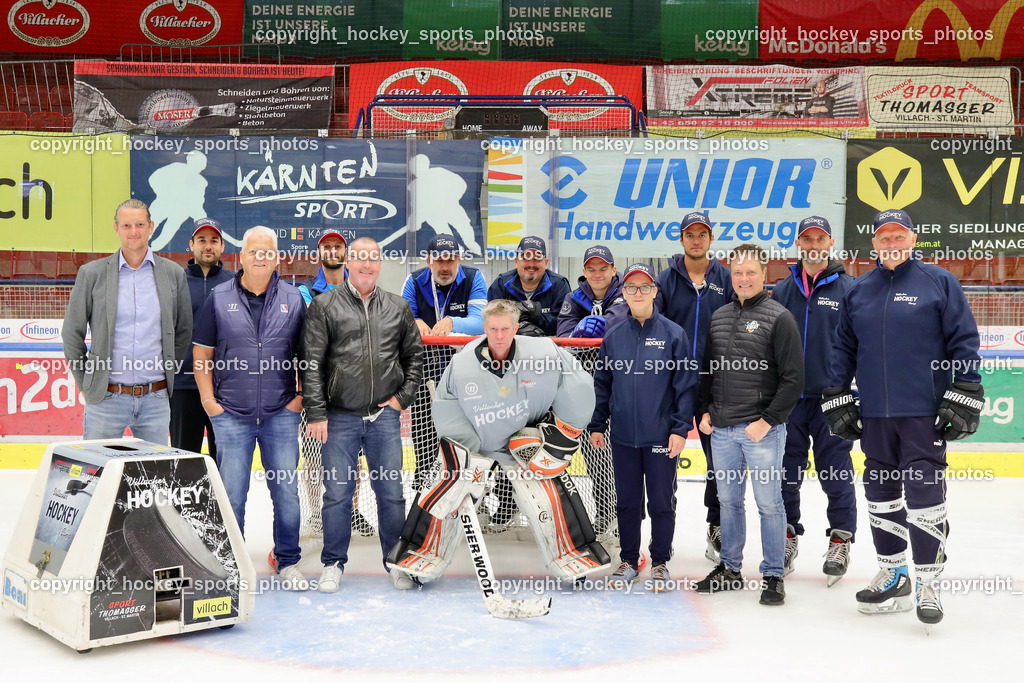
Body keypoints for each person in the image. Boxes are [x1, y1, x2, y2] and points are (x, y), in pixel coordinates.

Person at [824, 209, 983, 626]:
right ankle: (894, 574)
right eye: (883, 237)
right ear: (873, 243)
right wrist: (837, 395)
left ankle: (928, 582)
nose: (891, 243)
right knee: (879, 492)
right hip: (874, 414)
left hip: (922, 414)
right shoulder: (858, 290)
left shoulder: (938, 281)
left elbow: (963, 339)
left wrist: (966, 389)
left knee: (925, 495)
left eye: (898, 236)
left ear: (913, 239)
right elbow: (842, 349)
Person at [387, 299, 610, 584]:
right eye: (494, 329)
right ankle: (418, 556)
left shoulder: (543, 352)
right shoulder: (463, 362)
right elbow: (446, 406)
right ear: (485, 327)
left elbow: (576, 384)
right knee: (446, 483)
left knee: (553, 495)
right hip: (478, 445)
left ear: (516, 328)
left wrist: (561, 432)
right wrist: (466, 454)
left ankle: (576, 554)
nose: (500, 335)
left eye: (506, 328)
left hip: (527, 445)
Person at [300, 237, 425, 593]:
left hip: (384, 417)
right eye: (361, 259)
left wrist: (402, 398)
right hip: (338, 417)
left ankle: (396, 561)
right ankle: (333, 563)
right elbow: (312, 365)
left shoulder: (398, 307)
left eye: (374, 259)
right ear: (348, 263)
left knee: (391, 494)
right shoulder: (324, 306)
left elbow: (414, 358)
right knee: (337, 494)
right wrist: (317, 412)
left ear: (380, 264)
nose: (367, 266)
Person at [192, 225, 308, 591]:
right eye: (253, 251)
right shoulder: (218, 297)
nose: (260, 257)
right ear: (241, 256)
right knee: (232, 494)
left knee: (286, 493)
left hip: (280, 415)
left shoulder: (293, 298)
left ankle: (287, 560)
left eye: (267, 252)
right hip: (232, 416)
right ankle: (232, 564)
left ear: (277, 258)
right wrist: (210, 402)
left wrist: (298, 400)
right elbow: (202, 355)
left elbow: (307, 356)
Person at [695, 244, 804, 606]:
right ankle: (730, 568)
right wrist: (705, 411)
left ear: (764, 274)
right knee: (728, 501)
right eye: (737, 273)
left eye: (751, 272)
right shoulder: (719, 315)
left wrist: (768, 421)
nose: (743, 279)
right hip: (722, 429)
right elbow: (708, 371)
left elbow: (793, 379)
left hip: (761, 431)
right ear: (730, 274)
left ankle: (773, 574)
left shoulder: (780, 317)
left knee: (769, 504)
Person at [589, 263, 696, 591]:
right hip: (623, 437)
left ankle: (660, 561)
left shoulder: (673, 334)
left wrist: (679, 430)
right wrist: (597, 424)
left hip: (661, 437)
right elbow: (603, 385)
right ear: (623, 293)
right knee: (627, 502)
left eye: (644, 287)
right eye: (631, 288)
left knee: (662, 502)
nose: (638, 293)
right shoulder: (613, 337)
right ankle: (629, 560)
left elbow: (686, 386)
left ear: (654, 292)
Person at [62, 198, 192, 444]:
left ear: (151, 226)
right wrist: (87, 382)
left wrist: (167, 371)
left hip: (156, 399)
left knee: (154, 477)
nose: (134, 232)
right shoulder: (92, 274)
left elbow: (183, 330)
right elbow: (71, 333)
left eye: (140, 224)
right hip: (106, 398)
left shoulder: (173, 274)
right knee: (96, 475)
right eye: (127, 225)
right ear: (116, 228)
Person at [770, 217, 857, 584]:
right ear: (799, 244)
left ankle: (840, 539)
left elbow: (861, 343)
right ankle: (788, 535)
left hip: (833, 399)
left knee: (834, 474)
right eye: (807, 239)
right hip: (790, 400)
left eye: (820, 238)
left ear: (830, 242)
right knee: (785, 474)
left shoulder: (851, 289)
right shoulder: (783, 289)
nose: (813, 244)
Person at [655, 211, 734, 562]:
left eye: (702, 234)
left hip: (714, 385)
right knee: (660, 459)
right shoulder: (666, 280)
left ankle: (716, 524)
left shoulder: (727, 279)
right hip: (671, 382)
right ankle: (661, 531)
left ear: (711, 238)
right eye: (690, 234)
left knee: (718, 461)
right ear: (682, 238)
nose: (696, 240)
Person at [401, 234, 487, 491]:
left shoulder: (473, 278)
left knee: (467, 433)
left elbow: (481, 321)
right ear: (429, 261)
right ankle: (424, 489)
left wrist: (452, 321)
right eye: (439, 261)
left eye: (451, 260)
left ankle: (469, 488)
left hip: (465, 374)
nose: (445, 267)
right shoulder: (414, 281)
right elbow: (401, 317)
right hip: (424, 371)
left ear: (459, 260)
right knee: (423, 431)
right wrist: (413, 321)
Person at [170, 218, 233, 458]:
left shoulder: (235, 282)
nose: (208, 246)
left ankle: (222, 499)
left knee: (225, 462)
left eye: (214, 241)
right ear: (191, 245)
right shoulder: (176, 283)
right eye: (202, 240)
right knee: (183, 461)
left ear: (222, 246)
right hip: (183, 386)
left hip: (225, 387)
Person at [487, 235, 571, 337]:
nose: (531, 264)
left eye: (537, 259)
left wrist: (535, 317)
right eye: (526, 258)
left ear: (546, 263)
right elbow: (492, 320)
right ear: (516, 262)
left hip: (548, 345)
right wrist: (520, 326)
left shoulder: (559, 284)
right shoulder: (501, 283)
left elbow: (564, 323)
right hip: (510, 345)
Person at [556, 244, 628, 338]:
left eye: (603, 269)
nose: (597, 275)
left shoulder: (627, 292)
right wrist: (576, 332)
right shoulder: (573, 297)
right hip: (580, 353)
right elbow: (563, 336)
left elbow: (617, 325)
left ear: (613, 271)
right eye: (591, 270)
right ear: (584, 272)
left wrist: (584, 331)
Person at [298, 229, 347, 306]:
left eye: (338, 246)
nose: (332, 251)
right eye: (327, 246)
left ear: (345, 251)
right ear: (318, 252)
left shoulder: (359, 288)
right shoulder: (306, 291)